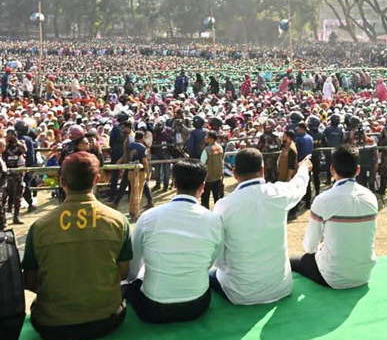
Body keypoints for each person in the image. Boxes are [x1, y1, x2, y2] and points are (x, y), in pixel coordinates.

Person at [22, 152, 132, 340]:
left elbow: (30, 281)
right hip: (107, 320)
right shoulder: (118, 221)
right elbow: (123, 272)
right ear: (97, 179)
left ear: (62, 181)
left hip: (52, 325)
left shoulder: (40, 227)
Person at [123, 159, 223, 324]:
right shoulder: (214, 220)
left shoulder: (149, 217)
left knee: (129, 284)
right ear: (202, 186)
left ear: (174, 183)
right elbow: (210, 261)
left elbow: (133, 268)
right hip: (198, 305)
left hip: (153, 309)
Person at [210, 148, 312, 305]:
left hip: (240, 293)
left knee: (210, 274)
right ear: (262, 170)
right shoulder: (279, 192)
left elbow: (219, 255)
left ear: (235, 172)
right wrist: (304, 168)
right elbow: (299, 185)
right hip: (281, 287)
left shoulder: (224, 205)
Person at [291, 145, 378, 288]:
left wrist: (321, 247)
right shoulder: (370, 197)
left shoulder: (323, 200)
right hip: (364, 274)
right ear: (358, 170)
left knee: (295, 261)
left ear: (332, 169)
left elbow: (310, 247)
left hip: (332, 277)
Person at [3, 128, 27, 225]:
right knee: (4, 196)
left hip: (18, 173)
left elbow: (24, 150)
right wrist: (6, 141)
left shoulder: (20, 143)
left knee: (18, 195)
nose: (10, 136)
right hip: (7, 173)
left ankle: (16, 217)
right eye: (8, 134)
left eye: (12, 134)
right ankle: (3, 218)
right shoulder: (5, 145)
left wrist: (16, 141)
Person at [200, 131, 224, 208]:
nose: (205, 139)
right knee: (217, 198)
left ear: (211, 139)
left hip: (208, 178)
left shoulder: (207, 150)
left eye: (207, 137)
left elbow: (202, 163)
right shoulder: (220, 147)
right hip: (218, 176)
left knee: (205, 199)